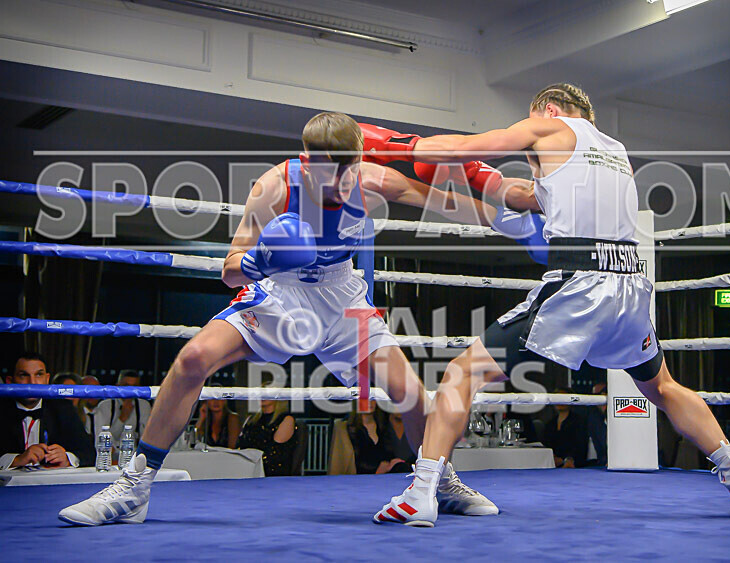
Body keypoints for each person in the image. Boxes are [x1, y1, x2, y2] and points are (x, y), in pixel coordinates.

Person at [59, 111, 499, 526]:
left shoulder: (374, 178)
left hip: (342, 297)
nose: (345, 184)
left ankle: (439, 480)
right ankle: (133, 487)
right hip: (281, 292)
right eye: (334, 174)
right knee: (194, 357)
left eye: (352, 172)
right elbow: (230, 269)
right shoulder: (274, 186)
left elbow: (440, 200)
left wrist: (508, 215)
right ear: (308, 162)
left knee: (413, 395)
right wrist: (258, 262)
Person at [368, 83, 730, 525]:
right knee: (662, 387)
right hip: (631, 285)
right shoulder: (616, 152)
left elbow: (460, 147)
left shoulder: (547, 125)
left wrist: (393, 146)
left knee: (462, 371)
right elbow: (525, 196)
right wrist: (482, 179)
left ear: (550, 109)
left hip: (580, 281)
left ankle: (422, 492)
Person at [0, 352, 95, 469]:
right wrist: (16, 459)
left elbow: (89, 453)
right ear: (10, 381)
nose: (33, 382)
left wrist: (67, 458)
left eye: (39, 375)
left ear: (47, 379)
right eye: (24, 375)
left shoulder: (63, 408)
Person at [237, 397, 298, 476]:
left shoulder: (286, 419)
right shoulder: (251, 420)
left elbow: (274, 453)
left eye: (267, 394)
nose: (263, 396)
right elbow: (241, 445)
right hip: (248, 466)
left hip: (271, 471)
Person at [347, 401, 411, 475]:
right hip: (365, 476)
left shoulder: (383, 424)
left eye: (372, 398)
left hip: (388, 471)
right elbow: (357, 460)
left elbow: (389, 451)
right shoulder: (351, 429)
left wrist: (392, 463)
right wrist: (380, 468)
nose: (370, 402)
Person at [94, 370, 151, 447]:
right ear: (117, 386)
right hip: (110, 454)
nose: (130, 390)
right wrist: (122, 418)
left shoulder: (144, 406)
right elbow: (101, 439)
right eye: (126, 386)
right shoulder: (105, 405)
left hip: (135, 454)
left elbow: (146, 437)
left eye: (134, 386)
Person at [542, 388, 589, 468]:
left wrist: (565, 459)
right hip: (550, 464)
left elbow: (580, 447)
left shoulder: (578, 421)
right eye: (558, 399)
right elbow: (546, 444)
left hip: (573, 465)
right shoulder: (550, 423)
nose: (560, 402)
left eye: (564, 398)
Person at [586, 382, 608, 467]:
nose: (600, 396)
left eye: (604, 392)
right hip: (602, 464)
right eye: (596, 395)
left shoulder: (623, 415)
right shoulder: (593, 419)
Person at [77, 375, 102, 443]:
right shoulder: (74, 414)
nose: (93, 394)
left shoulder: (104, 413)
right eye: (89, 390)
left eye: (96, 390)